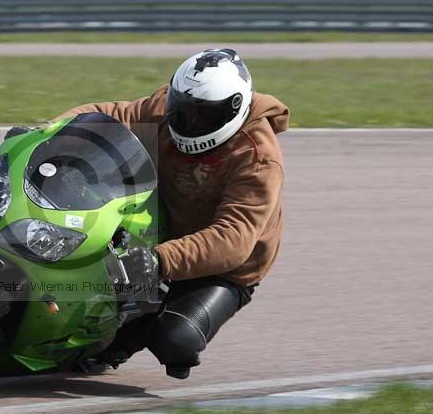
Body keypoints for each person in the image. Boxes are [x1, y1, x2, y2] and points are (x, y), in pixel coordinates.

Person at [56, 49, 289, 379]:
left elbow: (232, 240)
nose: (187, 122)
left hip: (225, 268)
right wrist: (49, 131)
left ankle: (128, 336)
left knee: (174, 339)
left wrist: (157, 261)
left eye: (202, 115)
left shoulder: (257, 158)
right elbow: (104, 115)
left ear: (234, 108)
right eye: (181, 110)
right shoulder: (168, 108)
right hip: (163, 227)